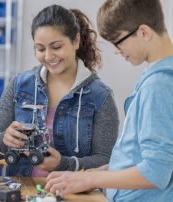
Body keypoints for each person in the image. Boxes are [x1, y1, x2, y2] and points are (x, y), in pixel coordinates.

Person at [45, 0, 173, 201]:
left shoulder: (158, 85)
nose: (116, 50)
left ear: (144, 33)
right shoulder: (155, 76)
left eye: (118, 41)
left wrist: (92, 180)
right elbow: (136, 157)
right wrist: (87, 176)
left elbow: (155, 171)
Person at [0, 5, 119, 177]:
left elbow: (106, 161)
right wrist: (4, 140)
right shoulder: (19, 85)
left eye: (56, 47)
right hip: (23, 191)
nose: (48, 56)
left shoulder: (101, 96)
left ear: (76, 40)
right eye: (40, 49)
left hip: (73, 194)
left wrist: (64, 164)